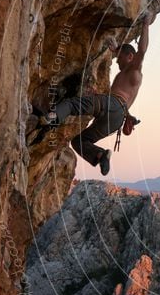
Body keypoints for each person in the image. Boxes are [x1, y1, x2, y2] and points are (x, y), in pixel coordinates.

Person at [38, 14, 151, 175]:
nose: (117, 61)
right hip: (117, 118)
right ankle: (101, 155)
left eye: (119, 58)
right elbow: (118, 99)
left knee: (71, 104)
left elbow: (142, 50)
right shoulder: (126, 75)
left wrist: (145, 25)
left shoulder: (135, 70)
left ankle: (51, 118)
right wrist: (99, 95)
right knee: (79, 141)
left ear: (130, 57)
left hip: (113, 105)